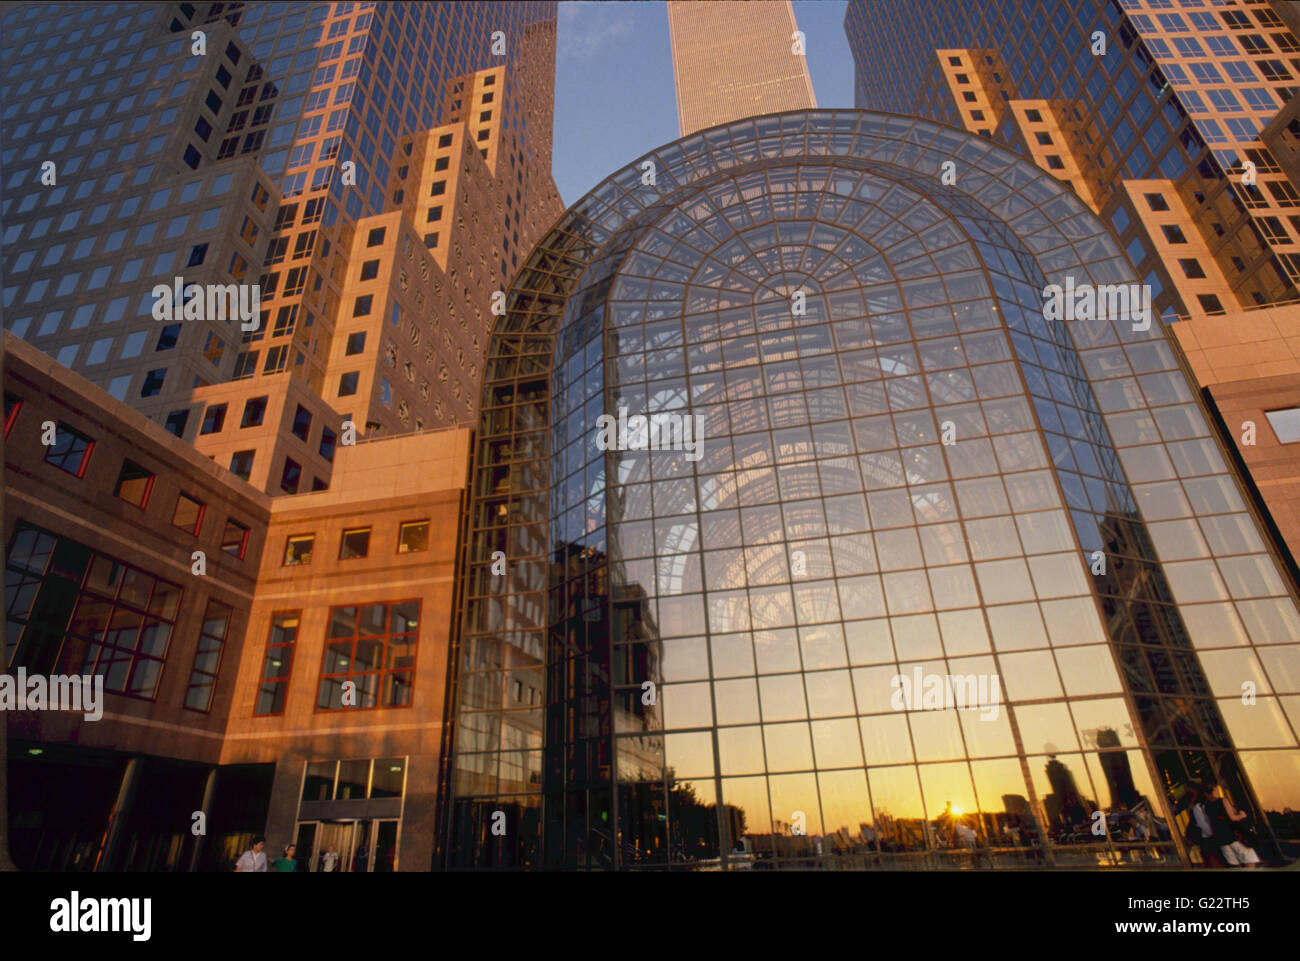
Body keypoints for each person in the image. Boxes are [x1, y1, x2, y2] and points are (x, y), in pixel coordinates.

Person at [1205, 783, 1261, 868]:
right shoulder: (1223, 801)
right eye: (1216, 790)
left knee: (1235, 865)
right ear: (1214, 790)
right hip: (1233, 836)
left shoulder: (1207, 806)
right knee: (1249, 861)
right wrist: (1242, 815)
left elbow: (1210, 822)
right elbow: (1233, 818)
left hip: (1222, 840)